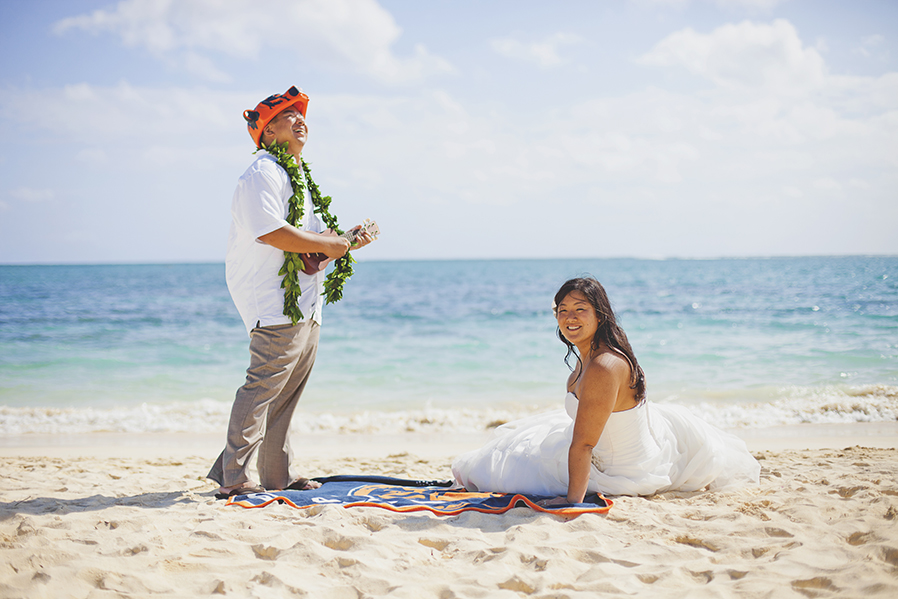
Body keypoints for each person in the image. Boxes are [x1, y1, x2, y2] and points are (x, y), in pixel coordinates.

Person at [451, 277, 759, 502]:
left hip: (618, 468)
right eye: (562, 310)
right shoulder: (591, 353)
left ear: (600, 314)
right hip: (608, 447)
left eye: (580, 309)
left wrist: (572, 502)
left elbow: (583, 444)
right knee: (516, 445)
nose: (569, 317)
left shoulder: (603, 366)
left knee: (498, 464)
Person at [207, 86, 374, 498]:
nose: (300, 120)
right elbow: (270, 232)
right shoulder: (263, 172)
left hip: (305, 301)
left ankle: (277, 476)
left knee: (285, 393)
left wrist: (345, 242)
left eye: (302, 115)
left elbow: (309, 247)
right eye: (287, 116)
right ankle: (234, 478)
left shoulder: (295, 175)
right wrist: (330, 244)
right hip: (273, 301)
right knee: (262, 387)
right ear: (266, 133)